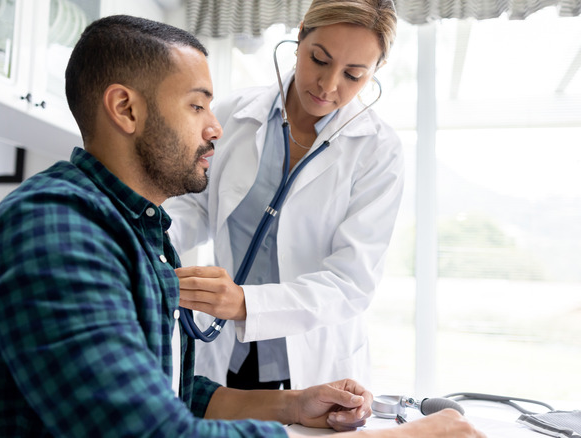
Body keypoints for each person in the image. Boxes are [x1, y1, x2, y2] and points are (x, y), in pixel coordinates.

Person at [0, 14, 484, 438]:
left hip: (307, 351)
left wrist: (293, 404)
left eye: (355, 74)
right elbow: (153, 431)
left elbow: (174, 392)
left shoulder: (130, 232)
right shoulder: (55, 235)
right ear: (126, 111)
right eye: (198, 106)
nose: (218, 128)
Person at [166, 0, 405, 390]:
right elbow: (193, 205)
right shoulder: (233, 114)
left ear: (375, 72)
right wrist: (141, 242)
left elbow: (351, 281)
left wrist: (246, 303)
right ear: (299, 37)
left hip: (314, 361)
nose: (328, 86)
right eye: (320, 59)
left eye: (354, 75)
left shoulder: (378, 151)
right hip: (225, 348)